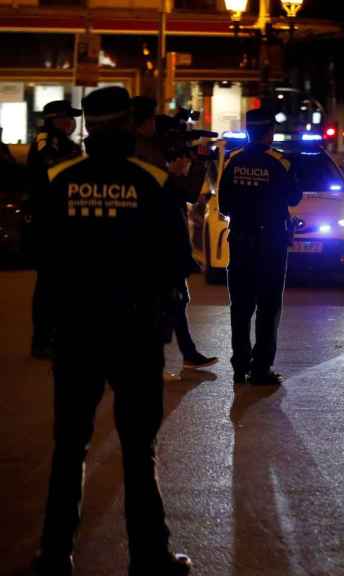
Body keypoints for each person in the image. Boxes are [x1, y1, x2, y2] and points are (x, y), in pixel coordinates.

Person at [31, 86, 192, 576]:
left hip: (78, 331)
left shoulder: (60, 179)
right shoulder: (153, 181)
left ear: (88, 128)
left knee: (70, 447)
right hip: (135, 332)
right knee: (138, 450)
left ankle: (55, 557)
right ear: (126, 127)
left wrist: (46, 330)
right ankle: (149, 557)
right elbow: (177, 262)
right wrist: (163, 319)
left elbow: (44, 257)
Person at [131, 97, 218, 374]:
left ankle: (187, 352)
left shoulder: (143, 149)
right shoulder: (146, 153)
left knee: (174, 296)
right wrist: (196, 162)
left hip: (158, 235)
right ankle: (152, 358)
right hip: (158, 235)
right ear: (145, 122)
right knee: (169, 297)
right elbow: (186, 191)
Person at [219, 108, 301, 386]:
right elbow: (294, 197)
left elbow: (224, 205)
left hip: (240, 240)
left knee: (240, 306)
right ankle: (260, 368)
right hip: (271, 243)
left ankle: (240, 365)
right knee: (268, 307)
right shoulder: (280, 161)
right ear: (268, 132)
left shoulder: (233, 160)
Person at [27, 100, 83, 359]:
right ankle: (41, 340)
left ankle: (56, 337)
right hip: (49, 224)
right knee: (49, 285)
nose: (71, 123)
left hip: (65, 223)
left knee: (62, 284)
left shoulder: (67, 144)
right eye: (66, 118)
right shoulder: (45, 140)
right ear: (53, 119)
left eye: (72, 119)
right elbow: (51, 170)